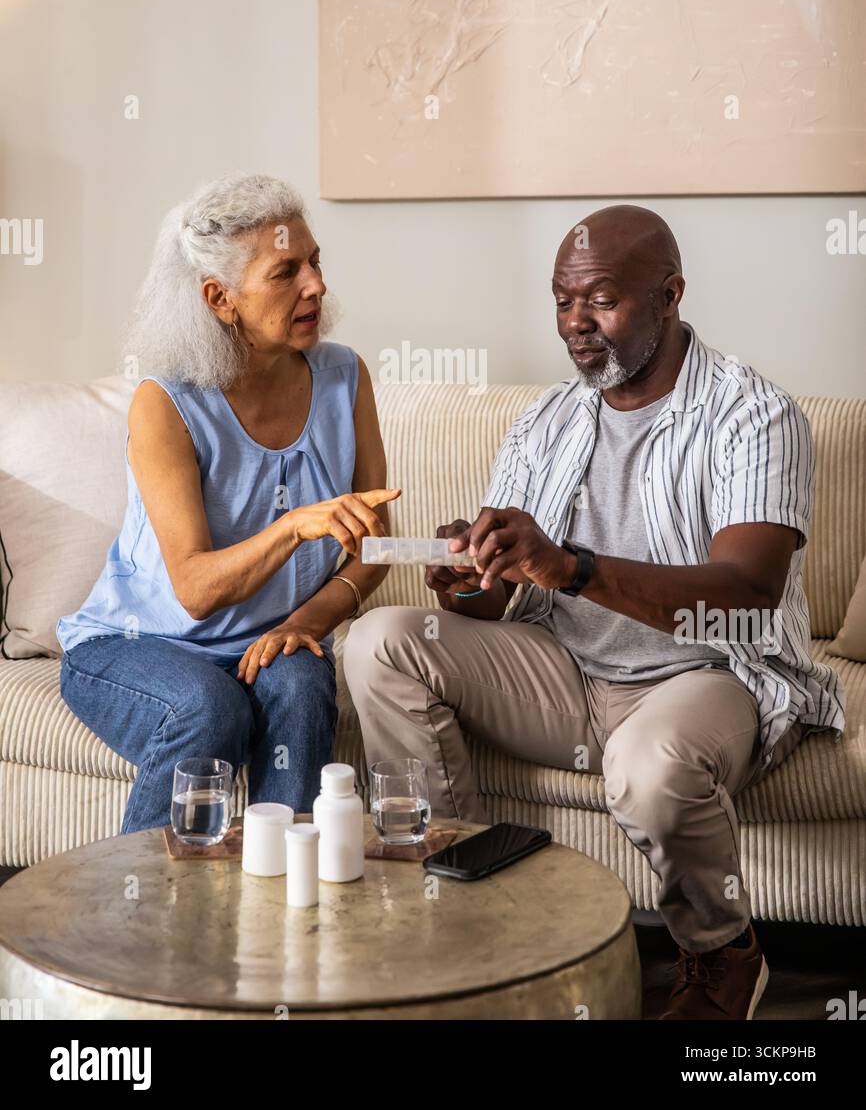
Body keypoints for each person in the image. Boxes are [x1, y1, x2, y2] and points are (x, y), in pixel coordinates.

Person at [343, 204, 846, 1021]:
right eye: (561, 301)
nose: (576, 325)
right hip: (566, 671)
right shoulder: (547, 420)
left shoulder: (755, 414)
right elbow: (507, 589)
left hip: (706, 673)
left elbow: (747, 595)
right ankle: (465, 913)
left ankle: (723, 957)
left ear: (670, 293)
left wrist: (570, 566)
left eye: (601, 300)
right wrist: (472, 576)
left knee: (650, 767)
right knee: (382, 640)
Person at [57, 173, 399, 833]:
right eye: (286, 272)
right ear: (220, 298)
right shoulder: (166, 404)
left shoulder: (344, 378)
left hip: (264, 638)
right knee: (212, 707)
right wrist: (296, 526)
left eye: (316, 261)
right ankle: (144, 921)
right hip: (134, 644)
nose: (316, 286)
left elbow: (373, 545)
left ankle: (288, 909)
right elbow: (194, 588)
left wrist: (305, 622)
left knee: (300, 681)